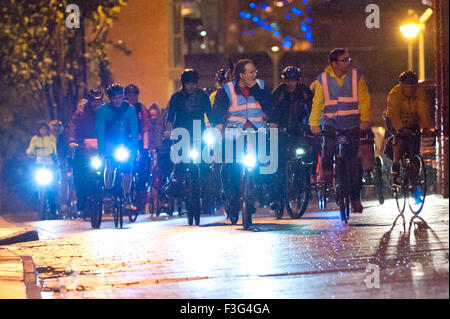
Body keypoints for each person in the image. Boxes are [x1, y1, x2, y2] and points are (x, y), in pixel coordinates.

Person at [309, 48, 371, 214]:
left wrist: (364, 119)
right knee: (328, 149)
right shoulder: (322, 80)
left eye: (348, 59)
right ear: (334, 63)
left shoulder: (356, 77)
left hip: (352, 125)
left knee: (353, 163)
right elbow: (317, 104)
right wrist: (314, 124)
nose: (348, 62)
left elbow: (364, 99)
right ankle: (327, 174)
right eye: (344, 60)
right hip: (331, 124)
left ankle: (355, 197)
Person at [385, 70, 432, 183]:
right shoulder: (395, 93)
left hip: (412, 123)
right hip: (395, 122)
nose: (410, 90)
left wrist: (425, 127)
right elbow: (394, 114)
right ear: (402, 85)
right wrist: (400, 128)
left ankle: (415, 177)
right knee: (399, 139)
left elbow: (423, 110)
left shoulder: (420, 93)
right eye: (407, 87)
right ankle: (396, 164)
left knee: (415, 152)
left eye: (412, 87)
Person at [96, 83, 139, 207]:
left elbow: (134, 130)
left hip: (125, 141)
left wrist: (135, 150)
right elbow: (100, 131)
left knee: (128, 169)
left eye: (120, 97)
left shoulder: (130, 109)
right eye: (114, 98)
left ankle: (126, 196)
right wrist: (102, 150)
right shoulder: (103, 110)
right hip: (110, 141)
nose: (118, 101)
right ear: (110, 99)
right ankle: (108, 192)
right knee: (109, 165)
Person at [68, 89, 104, 215]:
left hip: (101, 150)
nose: (97, 104)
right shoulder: (80, 114)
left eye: (99, 101)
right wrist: (73, 142)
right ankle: (82, 202)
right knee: (80, 174)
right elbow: (73, 129)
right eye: (94, 102)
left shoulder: (106, 113)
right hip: (83, 150)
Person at [125, 84, 151, 213]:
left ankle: (141, 197)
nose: (132, 97)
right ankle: (122, 196)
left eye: (134, 95)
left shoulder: (142, 109)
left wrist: (145, 148)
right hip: (124, 143)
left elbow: (145, 129)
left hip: (139, 142)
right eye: (129, 95)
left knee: (142, 169)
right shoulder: (121, 109)